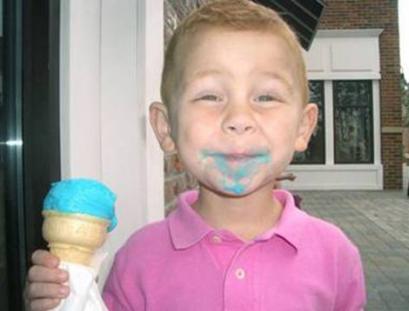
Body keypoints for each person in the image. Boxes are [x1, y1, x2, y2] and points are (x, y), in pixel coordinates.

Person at [25, 0, 366, 310]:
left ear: (303, 128)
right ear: (166, 128)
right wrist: (66, 300)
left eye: (265, 97)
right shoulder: (138, 259)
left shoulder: (335, 256)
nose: (239, 120)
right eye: (209, 96)